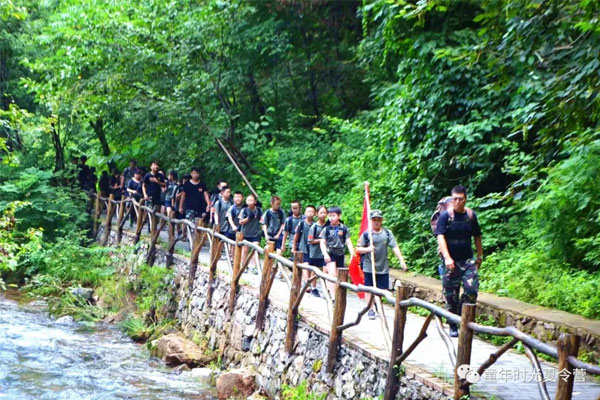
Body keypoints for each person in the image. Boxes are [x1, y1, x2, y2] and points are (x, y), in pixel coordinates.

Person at [435, 185, 483, 337]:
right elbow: (440, 237)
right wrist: (447, 258)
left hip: (467, 260)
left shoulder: (470, 216)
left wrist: (480, 255)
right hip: (451, 261)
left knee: (471, 290)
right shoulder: (445, 217)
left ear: (465, 199)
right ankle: (453, 324)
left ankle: (463, 316)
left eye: (460, 199)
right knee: (451, 294)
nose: (457, 202)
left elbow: (477, 235)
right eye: (455, 199)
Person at [356, 210, 408, 319]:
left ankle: (378, 305)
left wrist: (401, 260)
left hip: (383, 266)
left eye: (378, 219)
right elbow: (358, 248)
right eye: (374, 220)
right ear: (371, 221)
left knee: (382, 289)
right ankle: (370, 309)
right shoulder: (366, 234)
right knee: (369, 288)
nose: (376, 222)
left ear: (381, 220)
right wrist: (367, 249)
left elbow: (394, 246)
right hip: (369, 266)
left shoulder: (387, 233)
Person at [319, 206, 354, 300]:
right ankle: (333, 297)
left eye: (333, 216)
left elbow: (348, 241)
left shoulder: (344, 228)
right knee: (332, 274)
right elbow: (322, 242)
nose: (331, 218)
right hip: (330, 253)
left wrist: (352, 253)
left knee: (339, 276)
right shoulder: (326, 229)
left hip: (340, 254)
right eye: (329, 216)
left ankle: (336, 294)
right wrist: (325, 254)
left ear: (339, 216)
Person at [294, 205, 318, 297]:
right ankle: (307, 282)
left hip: (312, 249)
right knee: (305, 265)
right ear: (305, 213)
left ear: (315, 214)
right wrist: (294, 247)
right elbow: (296, 235)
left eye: (312, 211)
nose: (310, 213)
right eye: (308, 211)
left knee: (312, 266)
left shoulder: (316, 225)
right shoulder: (301, 223)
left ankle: (311, 285)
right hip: (303, 246)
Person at [239, 193, 262, 273]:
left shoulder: (258, 210)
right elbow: (241, 222)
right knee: (245, 250)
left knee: (255, 249)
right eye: (248, 200)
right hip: (245, 233)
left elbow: (262, 220)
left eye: (251, 200)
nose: (249, 202)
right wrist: (248, 219)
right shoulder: (244, 210)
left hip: (255, 233)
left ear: (255, 201)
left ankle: (256, 267)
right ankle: (244, 265)